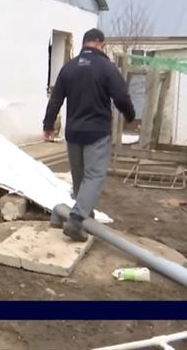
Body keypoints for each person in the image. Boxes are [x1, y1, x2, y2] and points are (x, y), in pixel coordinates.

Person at [42, 28, 135, 242]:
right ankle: (76, 221)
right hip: (97, 132)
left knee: (80, 179)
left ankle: (86, 216)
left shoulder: (69, 68)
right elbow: (121, 95)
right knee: (94, 176)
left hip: (73, 132)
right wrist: (129, 115)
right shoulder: (107, 68)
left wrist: (48, 125)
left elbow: (55, 99)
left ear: (84, 44)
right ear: (101, 44)